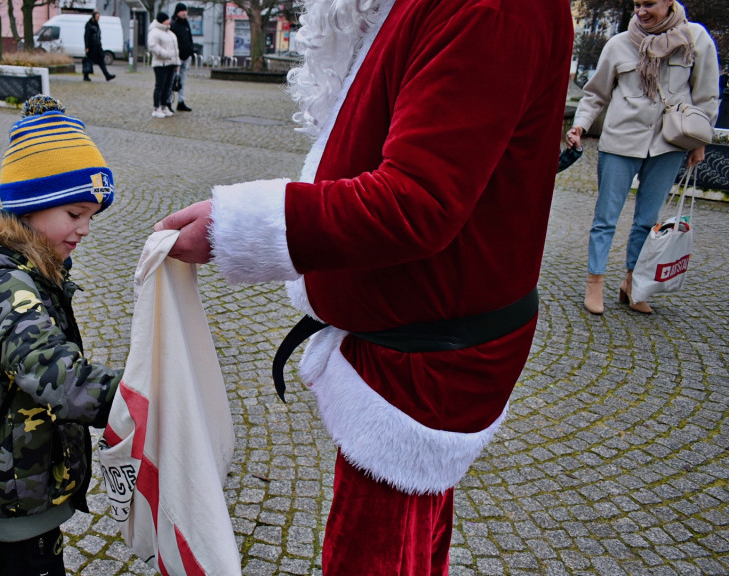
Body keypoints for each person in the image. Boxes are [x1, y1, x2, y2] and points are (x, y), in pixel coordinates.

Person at [154, 0, 573, 573]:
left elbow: (418, 199)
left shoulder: (490, 8)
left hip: (422, 356)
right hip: (412, 334)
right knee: (411, 541)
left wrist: (237, 227)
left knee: (376, 551)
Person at [0, 95, 121, 576]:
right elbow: (55, 374)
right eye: (74, 214)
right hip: (13, 495)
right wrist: (138, 398)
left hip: (21, 486)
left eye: (91, 216)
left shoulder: (25, 268)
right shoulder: (10, 285)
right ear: (32, 206)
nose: (85, 229)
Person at [567, 0, 719, 315]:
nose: (641, 11)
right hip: (620, 141)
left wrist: (700, 142)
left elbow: (705, 94)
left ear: (669, 2)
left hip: (668, 143)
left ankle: (633, 283)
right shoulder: (620, 44)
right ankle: (595, 281)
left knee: (648, 221)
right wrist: (580, 125)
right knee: (605, 218)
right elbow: (596, 94)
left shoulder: (695, 40)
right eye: (636, 4)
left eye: (649, 4)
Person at [147, 11, 178, 118]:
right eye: (167, 19)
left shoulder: (169, 32)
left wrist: (176, 62)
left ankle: (164, 106)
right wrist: (164, 54)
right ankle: (157, 107)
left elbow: (175, 48)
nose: (169, 21)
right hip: (160, 63)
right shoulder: (154, 32)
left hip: (170, 63)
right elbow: (153, 46)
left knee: (168, 86)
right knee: (160, 85)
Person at [170, 3, 194, 112]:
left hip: (186, 55)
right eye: (182, 11)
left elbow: (189, 38)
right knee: (173, 80)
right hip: (177, 57)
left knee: (182, 80)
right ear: (177, 12)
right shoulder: (173, 24)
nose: (184, 13)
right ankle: (168, 102)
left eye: (185, 11)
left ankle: (181, 101)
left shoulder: (186, 23)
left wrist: (191, 51)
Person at [83, 11, 115, 82]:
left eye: (99, 17)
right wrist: (87, 47)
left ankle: (107, 75)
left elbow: (98, 36)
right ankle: (86, 76)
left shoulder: (97, 25)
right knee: (89, 61)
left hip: (97, 46)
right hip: (91, 47)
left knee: (101, 61)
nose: (98, 18)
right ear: (93, 17)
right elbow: (86, 36)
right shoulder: (89, 25)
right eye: (97, 17)